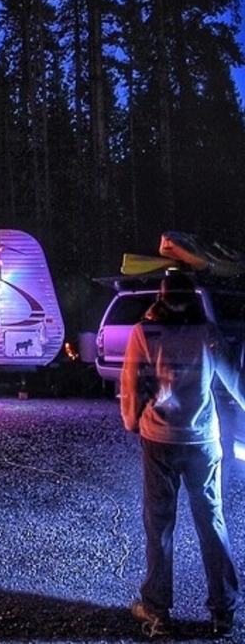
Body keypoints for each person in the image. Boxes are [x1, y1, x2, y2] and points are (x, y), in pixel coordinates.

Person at [120, 270, 245, 639]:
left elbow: (131, 385)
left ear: (160, 295)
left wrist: (131, 421)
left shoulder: (145, 333)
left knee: (159, 526)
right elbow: (235, 379)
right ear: (193, 296)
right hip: (202, 441)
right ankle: (223, 611)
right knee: (211, 521)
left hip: (158, 439)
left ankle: (157, 612)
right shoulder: (206, 333)